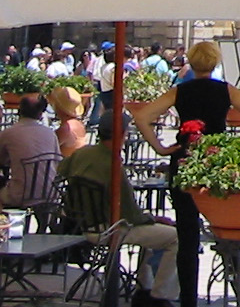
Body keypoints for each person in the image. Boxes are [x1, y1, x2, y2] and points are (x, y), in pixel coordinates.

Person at [131, 41, 240, 307]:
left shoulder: (179, 91)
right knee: (227, 232)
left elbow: (142, 117)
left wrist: (160, 148)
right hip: (217, 164)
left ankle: (188, 301)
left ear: (190, 63)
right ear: (215, 63)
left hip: (184, 162)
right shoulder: (226, 90)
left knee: (187, 235)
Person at [61, 112, 181, 307]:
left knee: (150, 235)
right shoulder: (112, 163)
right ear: (122, 134)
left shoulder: (82, 153)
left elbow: (60, 172)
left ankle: (145, 287)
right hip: (110, 229)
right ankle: (159, 296)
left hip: (82, 225)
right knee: (175, 237)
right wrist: (154, 218)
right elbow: (131, 214)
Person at [0, 95, 62, 229]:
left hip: (21, 194)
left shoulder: (8, 133)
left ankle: (10, 228)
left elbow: (0, 160)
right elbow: (57, 160)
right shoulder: (50, 133)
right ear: (40, 113)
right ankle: (41, 229)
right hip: (49, 192)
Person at [49, 85, 89, 157]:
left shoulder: (65, 129)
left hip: (67, 166)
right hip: (77, 164)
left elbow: (47, 148)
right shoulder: (78, 124)